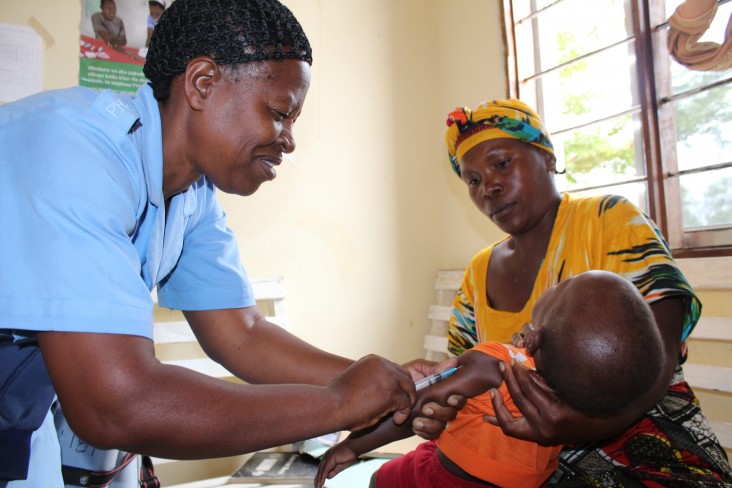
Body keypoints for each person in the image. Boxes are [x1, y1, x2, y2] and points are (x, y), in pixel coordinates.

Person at [0, 1, 461, 486]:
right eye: (281, 113)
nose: (289, 141)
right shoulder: (72, 150)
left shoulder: (190, 192)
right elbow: (117, 405)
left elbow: (241, 333)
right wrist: (339, 404)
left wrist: (389, 385)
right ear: (202, 83)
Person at [443, 99, 732, 485]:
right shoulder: (478, 272)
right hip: (523, 457)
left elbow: (661, 348)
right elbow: (463, 375)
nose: (489, 188)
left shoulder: (608, 220)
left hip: (642, 428)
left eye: (502, 163)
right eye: (473, 180)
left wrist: (590, 424)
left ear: (547, 157)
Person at [315, 270, 663, 488]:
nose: (558, 283)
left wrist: (352, 445)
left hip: (442, 479)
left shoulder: (493, 364)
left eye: (563, 287)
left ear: (534, 335)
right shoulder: (578, 398)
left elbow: (416, 407)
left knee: (381, 479)